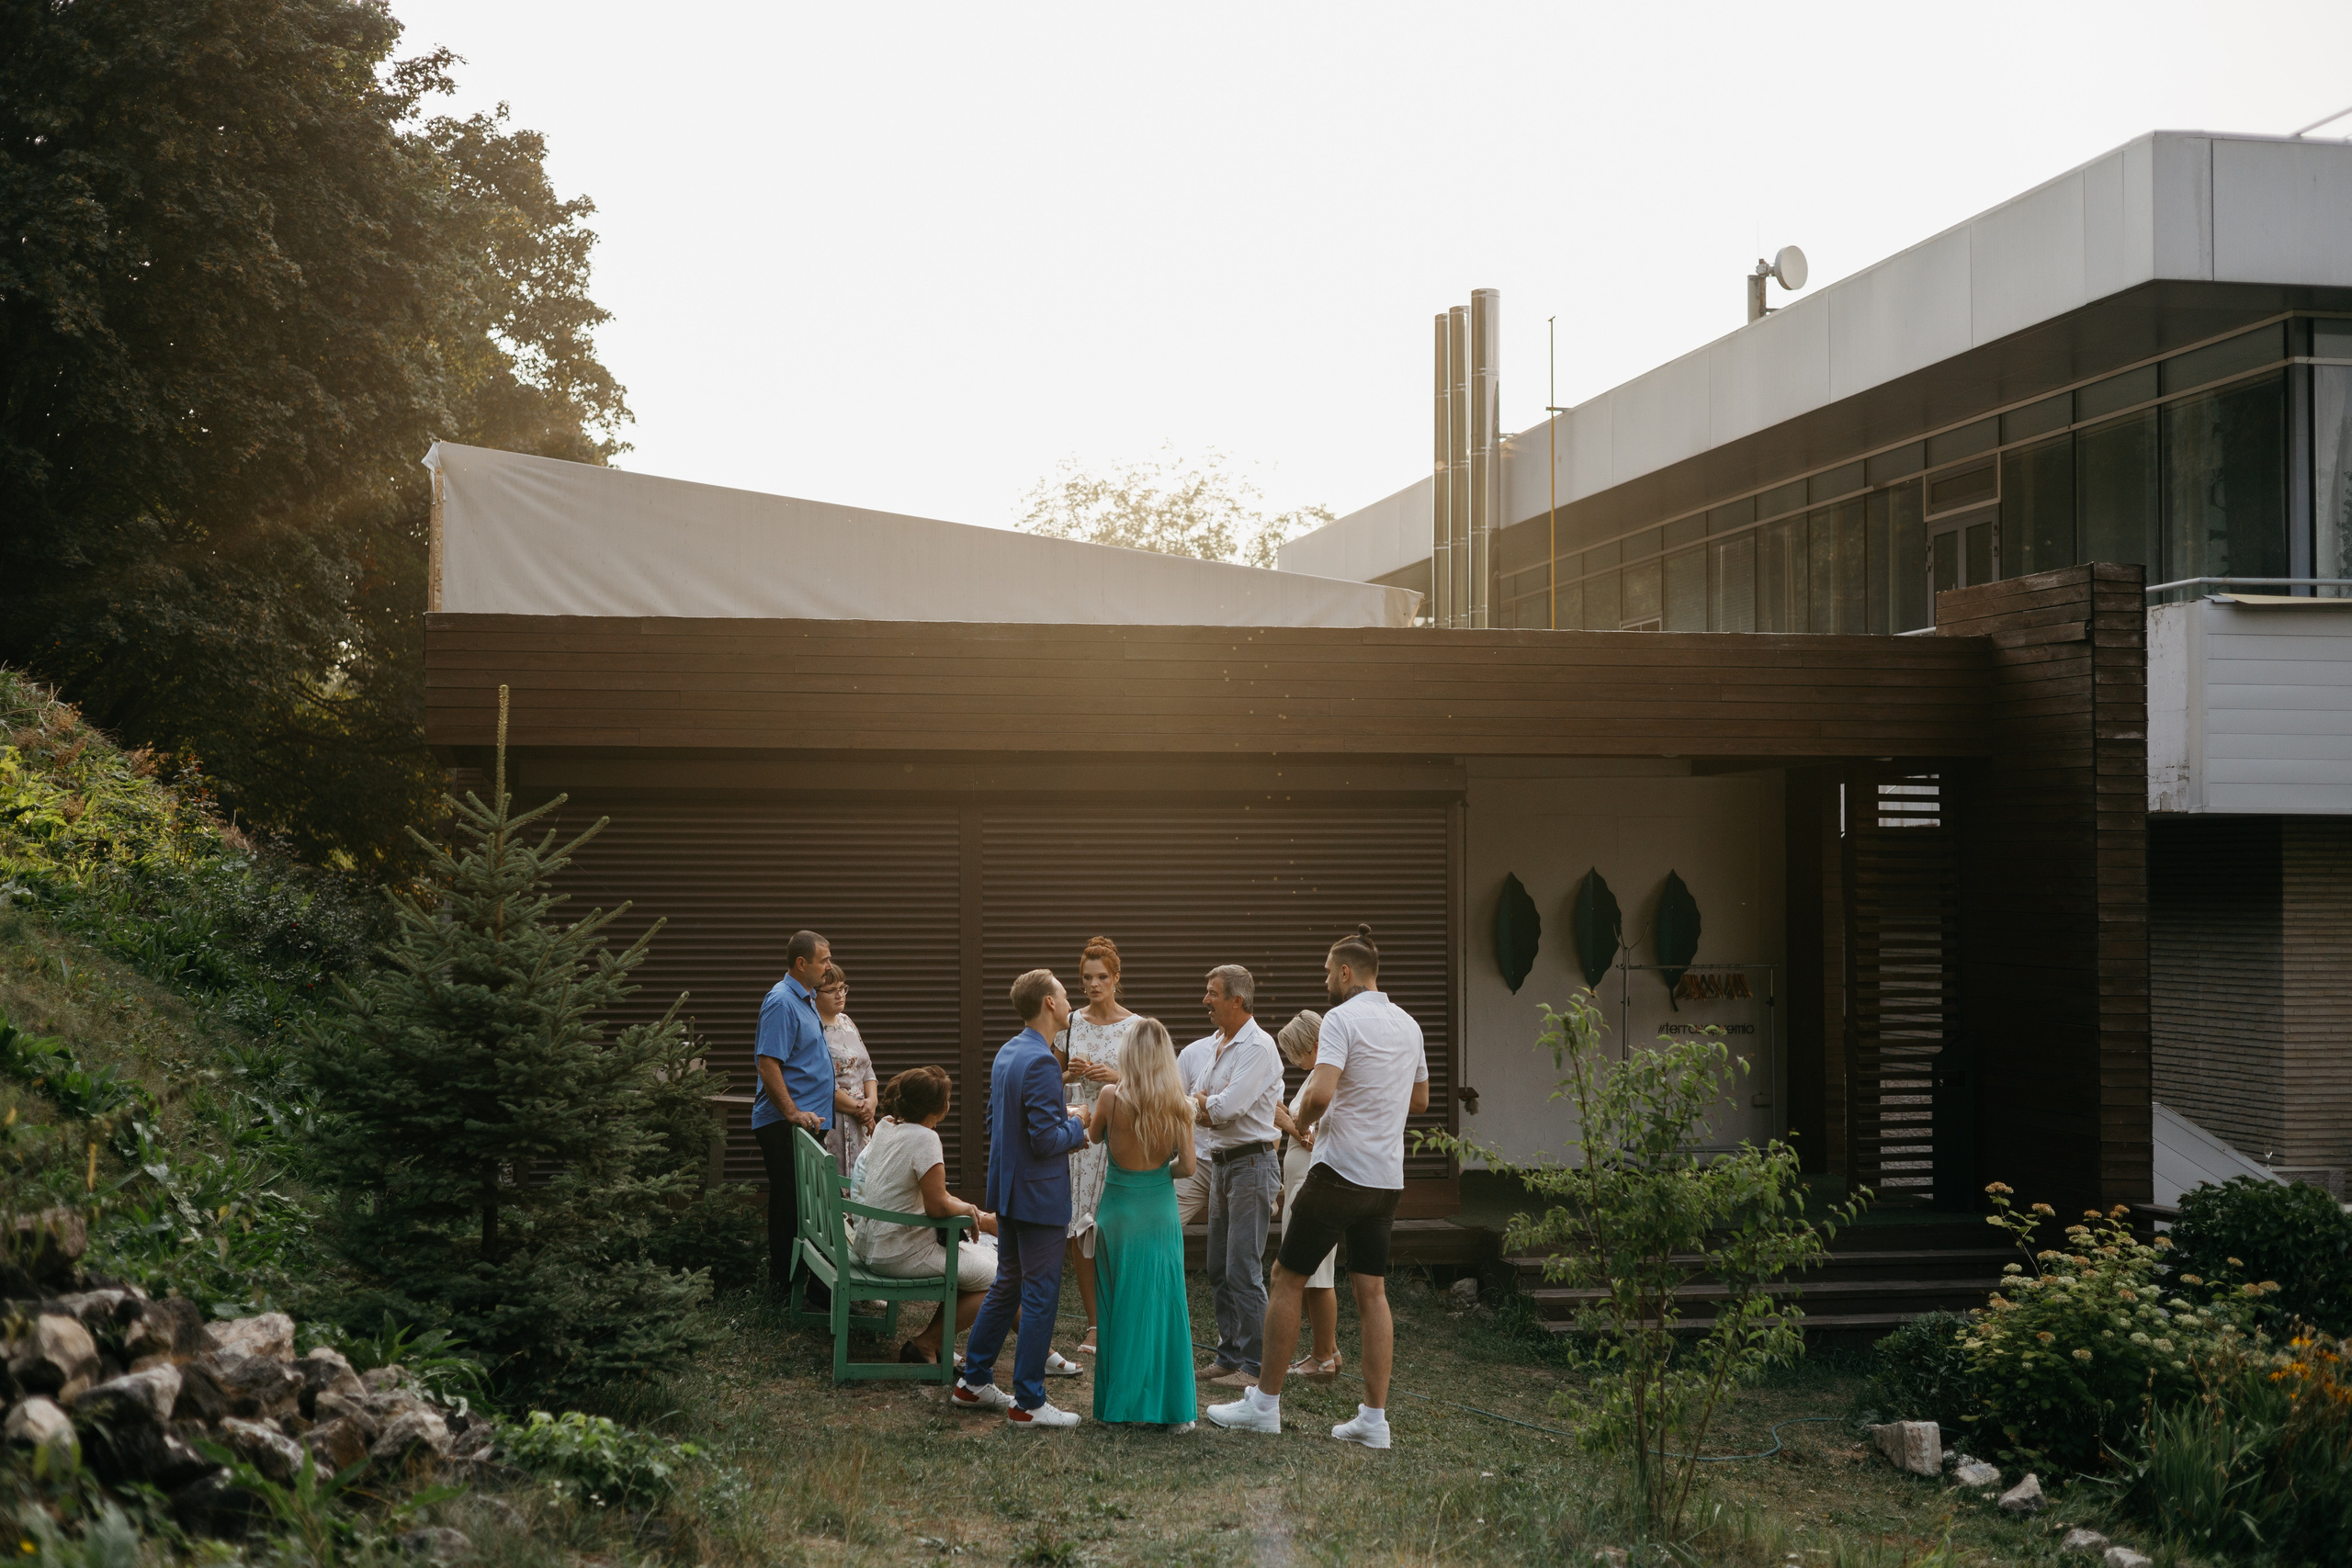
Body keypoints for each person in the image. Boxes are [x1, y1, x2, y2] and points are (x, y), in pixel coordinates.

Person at [1209, 925, 1427, 1450]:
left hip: (1338, 1172)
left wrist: (1305, 1121)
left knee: (1286, 1275)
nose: (1326, 980)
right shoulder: (1409, 1024)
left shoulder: (1341, 1019)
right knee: (1371, 1291)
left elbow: (1322, 1091)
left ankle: (1264, 1405)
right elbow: (1418, 1102)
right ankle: (1374, 1421)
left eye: (1329, 971)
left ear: (1346, 972)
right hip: (1386, 1178)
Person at [952, 969, 1094, 1427]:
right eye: (1065, 994)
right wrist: (1080, 1124)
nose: (1070, 1000)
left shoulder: (1009, 1052)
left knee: (1007, 1284)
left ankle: (973, 1384)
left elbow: (1001, 1121)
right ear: (1048, 1003)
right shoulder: (1041, 1062)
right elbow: (1044, 1139)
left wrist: (1059, 1114)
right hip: (1040, 1197)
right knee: (1039, 1295)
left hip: (1009, 1191)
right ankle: (1028, 1401)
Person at [1087, 1017, 1199, 1430]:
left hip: (1117, 1211)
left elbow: (1095, 1138)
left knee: (1116, 1306)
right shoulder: (1179, 1104)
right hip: (1159, 1212)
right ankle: (1173, 1413)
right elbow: (1187, 1167)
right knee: (1165, 1306)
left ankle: (1117, 1408)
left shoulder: (1110, 1097)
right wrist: (1156, 1173)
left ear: (1127, 1054)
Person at [854, 1066, 1001, 1366]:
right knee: (1001, 1277)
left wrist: (971, 1212)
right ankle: (927, 1343)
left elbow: (933, 1197)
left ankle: (935, 1343)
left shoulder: (885, 1126)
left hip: (871, 1244)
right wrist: (970, 1212)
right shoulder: (925, 1139)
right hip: (900, 1251)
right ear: (941, 1108)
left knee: (974, 1266)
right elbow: (938, 1207)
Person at [1187, 964, 1284, 1391]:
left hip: (1251, 1165)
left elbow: (1224, 1109)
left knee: (1244, 1268)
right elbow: (1199, 1099)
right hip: (1224, 1162)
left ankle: (1255, 1367)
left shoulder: (1258, 1047)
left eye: (1212, 994)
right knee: (1218, 1268)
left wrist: (1207, 1104)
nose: (1205, 1001)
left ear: (1237, 1001)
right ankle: (1228, 1357)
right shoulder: (1219, 1044)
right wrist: (1207, 1103)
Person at [1053, 935, 1134, 1357]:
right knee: (1078, 1228)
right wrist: (1073, 1074)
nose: (1093, 985)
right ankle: (1094, 1322)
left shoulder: (1136, 1026)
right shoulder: (1071, 1023)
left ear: (1116, 978)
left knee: (1112, 1228)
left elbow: (1151, 1084)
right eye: (1086, 978)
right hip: (1078, 1135)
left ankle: (1121, 1317)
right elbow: (1053, 1076)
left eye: (1101, 977)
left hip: (1117, 1134)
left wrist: (1115, 1076)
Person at [752, 930, 836, 1303]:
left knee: (810, 1206)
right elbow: (767, 1062)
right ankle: (783, 1293)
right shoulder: (782, 1001)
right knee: (789, 1206)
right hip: (786, 1124)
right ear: (802, 964)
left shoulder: (807, 1000)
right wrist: (792, 1112)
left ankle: (817, 1289)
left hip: (807, 1124)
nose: (828, 966)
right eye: (824, 960)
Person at [1272, 1010, 1341, 1383]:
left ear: (1313, 1045)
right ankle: (1327, 1348)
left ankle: (1322, 1356)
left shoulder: (1329, 1079)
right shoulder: (1314, 1076)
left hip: (1314, 1181)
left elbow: (1315, 1135)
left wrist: (1288, 1124)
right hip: (1301, 1179)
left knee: (1317, 1274)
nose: (1294, 1061)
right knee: (1311, 1273)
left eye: (1297, 1053)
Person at [816, 964, 876, 1176]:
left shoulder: (847, 1022)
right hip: (835, 1118)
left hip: (862, 1119)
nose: (840, 995)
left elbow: (867, 1068)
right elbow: (822, 1082)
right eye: (831, 990)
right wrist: (861, 1110)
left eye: (842, 988)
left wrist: (872, 1102)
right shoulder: (813, 1028)